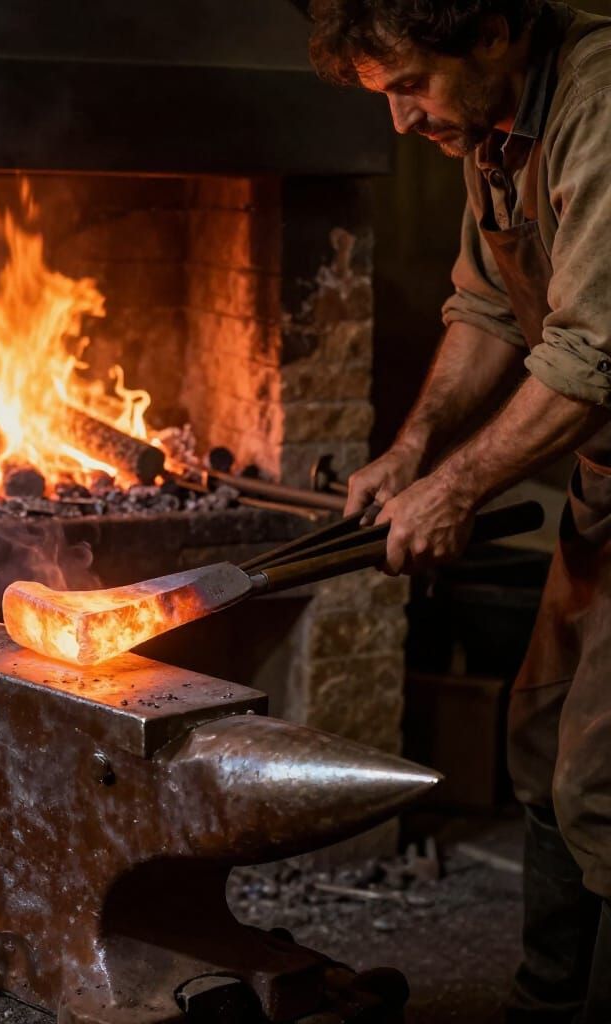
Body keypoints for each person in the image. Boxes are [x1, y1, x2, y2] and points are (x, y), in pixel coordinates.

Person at [307, 2, 611, 1021]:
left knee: (600, 787)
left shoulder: (600, 104)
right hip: (605, 486)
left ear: (489, 33)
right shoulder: (488, 126)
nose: (399, 121)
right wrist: (414, 450)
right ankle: (543, 1003)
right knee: (540, 744)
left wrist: (456, 489)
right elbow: (487, 308)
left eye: (409, 86)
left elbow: (594, 355)